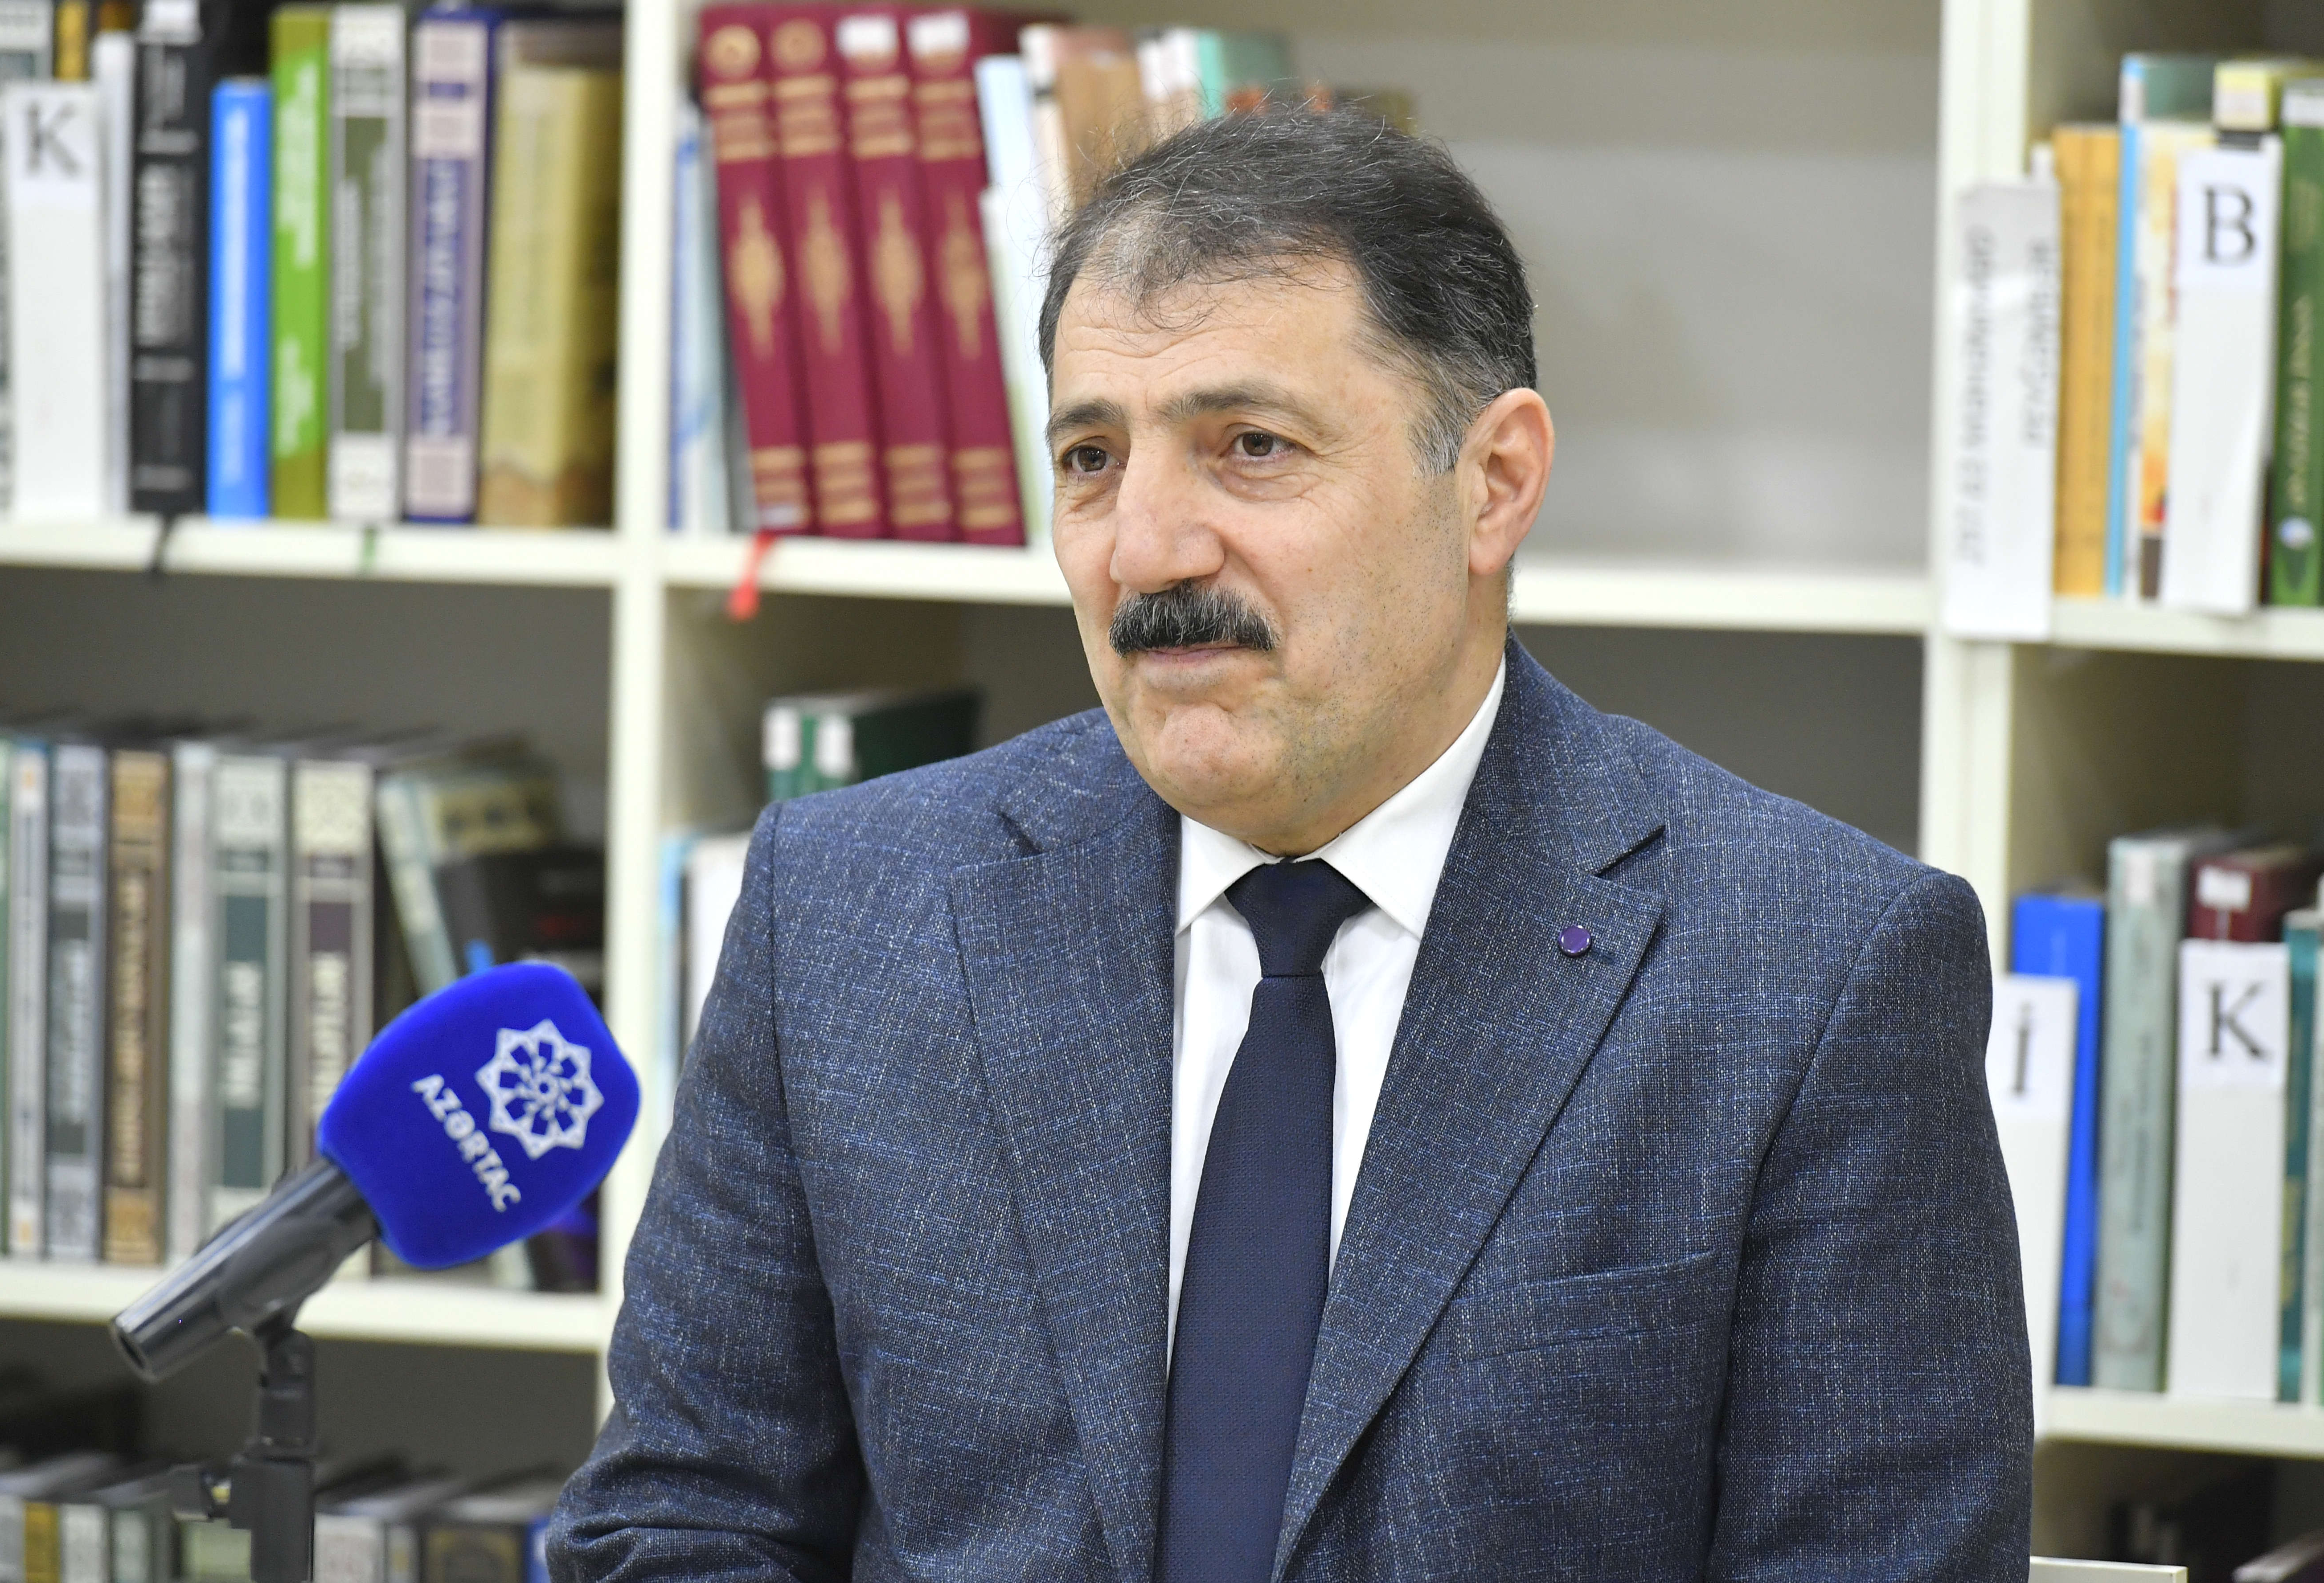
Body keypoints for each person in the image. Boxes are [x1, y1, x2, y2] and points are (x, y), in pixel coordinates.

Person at [549, 109, 2030, 1583]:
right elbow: (681, 1524)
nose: (1144, 550)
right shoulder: (844, 915)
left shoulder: (1811, 975)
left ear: (1493, 482)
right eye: (1089, 457)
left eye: (1249, 448)